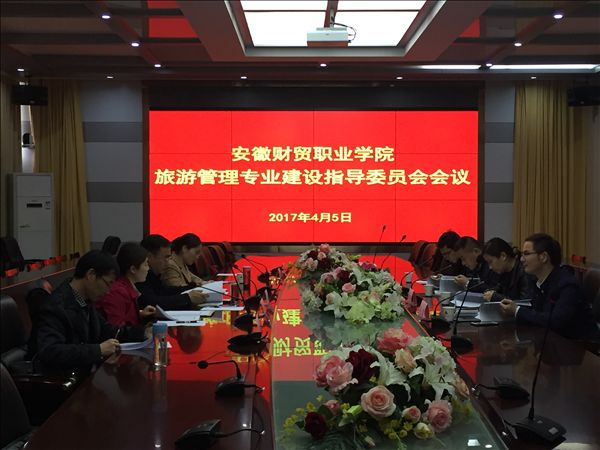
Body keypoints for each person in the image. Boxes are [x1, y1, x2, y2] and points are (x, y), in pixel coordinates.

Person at [31, 250, 149, 375]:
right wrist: (98, 350)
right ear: (91, 275)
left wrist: (143, 333)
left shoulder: (84, 300)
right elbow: (50, 351)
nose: (109, 291)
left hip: (83, 373)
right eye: (108, 283)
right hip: (62, 379)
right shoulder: (56, 306)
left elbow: (106, 330)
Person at [500, 233, 598, 339]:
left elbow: (555, 321)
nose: (521, 259)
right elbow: (538, 313)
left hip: (580, 345)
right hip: (553, 341)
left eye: (526, 254)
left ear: (543, 257)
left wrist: (517, 310)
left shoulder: (567, 284)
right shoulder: (536, 281)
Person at [137, 234, 207, 310]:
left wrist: (193, 287)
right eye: (166, 257)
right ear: (150, 257)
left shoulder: (154, 275)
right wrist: (187, 298)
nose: (168, 262)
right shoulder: (140, 276)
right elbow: (152, 302)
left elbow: (165, 291)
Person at [96, 243, 156, 326]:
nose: (148, 268)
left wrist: (139, 314)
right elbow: (116, 328)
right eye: (146, 264)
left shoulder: (126, 287)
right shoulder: (118, 292)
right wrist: (143, 331)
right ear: (133, 269)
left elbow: (125, 317)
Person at [482, 237, 532, 302]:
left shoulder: (525, 272)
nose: (490, 267)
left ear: (503, 256)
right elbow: (498, 289)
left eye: (490, 262)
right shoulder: (502, 271)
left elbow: (524, 302)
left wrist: (496, 297)